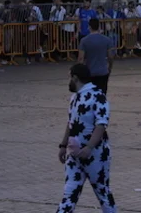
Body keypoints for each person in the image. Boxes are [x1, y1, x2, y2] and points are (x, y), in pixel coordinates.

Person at [56, 64, 117, 213]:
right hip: (75, 154)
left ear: (75, 78)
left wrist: (89, 147)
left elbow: (101, 124)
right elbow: (71, 123)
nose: (69, 81)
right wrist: (63, 145)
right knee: (69, 194)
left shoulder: (97, 96)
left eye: (70, 77)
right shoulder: (75, 97)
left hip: (96, 154)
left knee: (102, 192)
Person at [78, 26, 116, 94]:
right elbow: (110, 56)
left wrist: (79, 72)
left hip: (89, 72)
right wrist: (110, 67)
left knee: (89, 94)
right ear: (99, 28)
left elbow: (81, 58)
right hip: (103, 71)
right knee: (102, 93)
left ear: (89, 28)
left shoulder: (84, 40)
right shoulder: (107, 39)